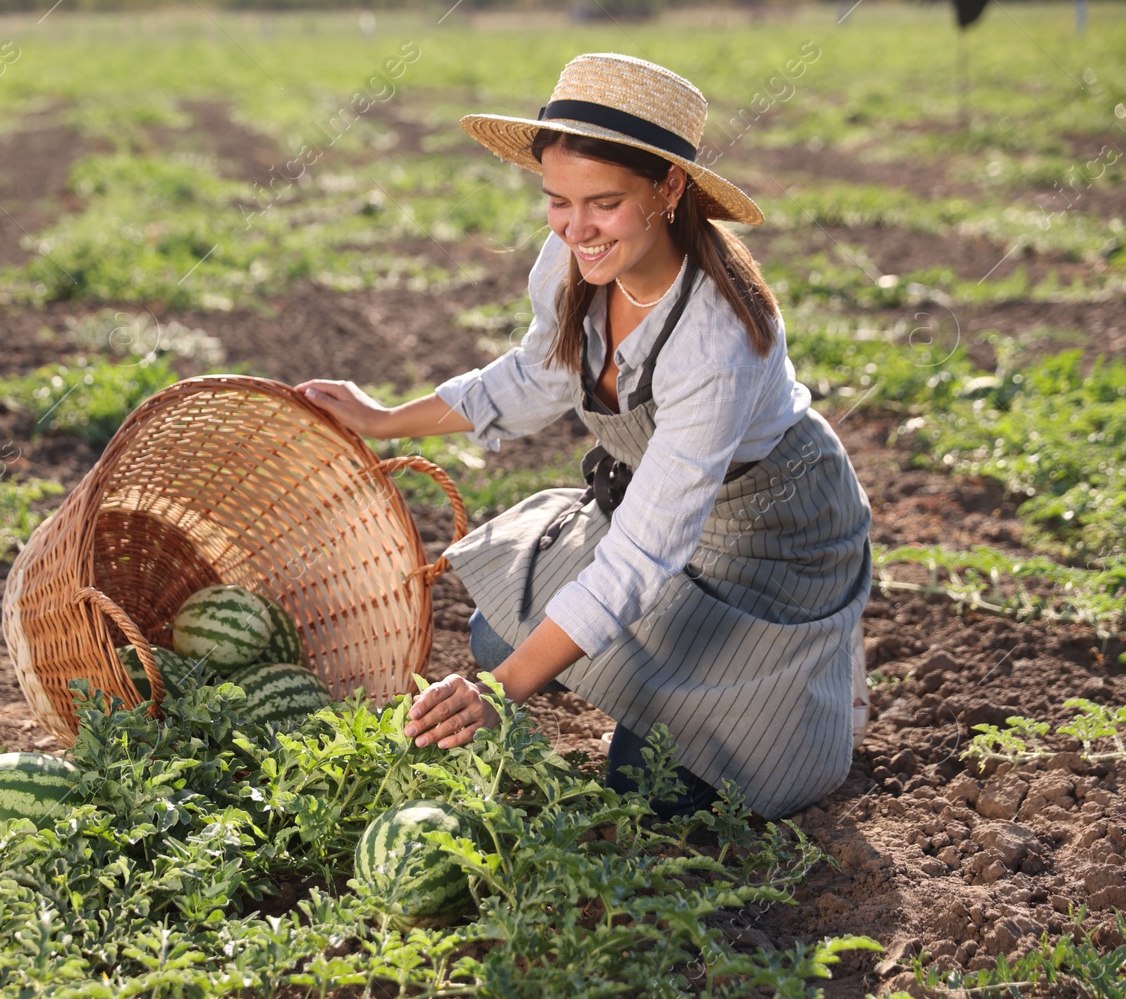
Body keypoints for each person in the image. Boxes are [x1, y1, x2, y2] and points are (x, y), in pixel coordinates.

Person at [297, 53, 872, 821]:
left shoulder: (720, 337)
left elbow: (643, 552)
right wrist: (383, 418)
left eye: (603, 203)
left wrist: (498, 697)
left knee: (654, 794)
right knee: (499, 633)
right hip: (669, 530)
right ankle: (663, 684)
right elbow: (537, 377)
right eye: (557, 202)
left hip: (772, 541)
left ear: (670, 189)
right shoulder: (578, 260)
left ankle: (809, 695)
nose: (577, 229)